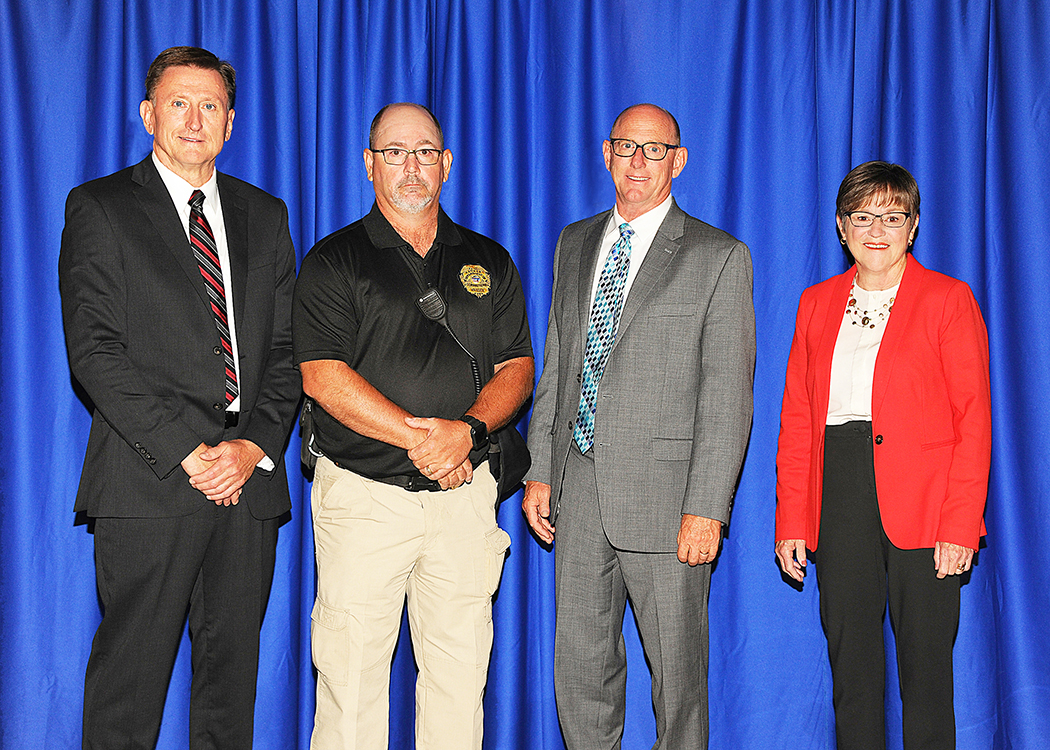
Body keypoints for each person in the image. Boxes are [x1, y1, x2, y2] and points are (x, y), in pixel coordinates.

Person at [59, 46, 300, 749]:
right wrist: (192, 453)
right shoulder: (100, 208)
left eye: (210, 106)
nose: (195, 119)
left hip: (247, 486)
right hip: (150, 478)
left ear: (230, 122)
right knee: (128, 690)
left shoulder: (266, 214)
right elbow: (95, 355)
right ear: (147, 114)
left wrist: (251, 446)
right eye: (178, 102)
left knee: (231, 694)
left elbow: (286, 355)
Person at [292, 102, 534, 749]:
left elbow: (517, 366)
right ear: (369, 164)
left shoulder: (489, 260)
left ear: (447, 163)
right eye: (394, 152)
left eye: (424, 151)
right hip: (365, 499)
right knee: (350, 683)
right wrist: (426, 440)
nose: (411, 166)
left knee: (459, 683)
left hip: (463, 499)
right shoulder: (335, 260)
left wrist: (469, 434)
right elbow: (320, 376)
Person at [523, 103, 756, 749]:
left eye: (654, 150)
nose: (637, 162)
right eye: (626, 146)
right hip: (579, 486)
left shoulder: (717, 255)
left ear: (677, 161)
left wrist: (707, 507)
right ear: (605, 152)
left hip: (668, 499)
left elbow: (728, 396)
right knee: (581, 668)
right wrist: (542, 470)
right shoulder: (574, 241)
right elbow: (559, 363)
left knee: (677, 682)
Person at [774, 161, 991, 749]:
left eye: (892, 217)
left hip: (925, 503)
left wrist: (960, 523)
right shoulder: (815, 304)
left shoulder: (948, 299)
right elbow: (797, 422)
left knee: (926, 681)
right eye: (863, 216)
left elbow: (974, 420)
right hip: (839, 495)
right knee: (854, 677)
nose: (877, 230)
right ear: (842, 227)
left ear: (913, 227)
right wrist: (794, 519)